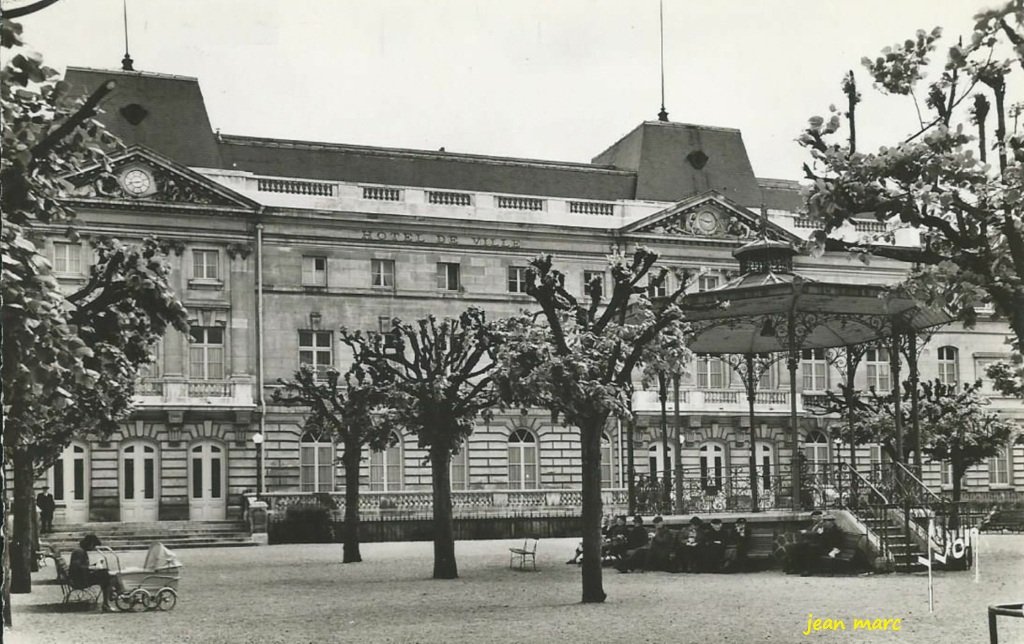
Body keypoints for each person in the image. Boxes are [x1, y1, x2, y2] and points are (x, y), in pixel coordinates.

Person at [69, 534, 117, 611]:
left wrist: (94, 565)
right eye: (93, 546)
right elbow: (77, 567)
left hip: (82, 577)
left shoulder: (81, 551)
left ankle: (111, 593)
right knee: (105, 576)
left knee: (105, 572)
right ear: (90, 544)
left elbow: (81, 566)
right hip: (80, 580)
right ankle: (108, 600)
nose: (93, 548)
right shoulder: (79, 552)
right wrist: (92, 568)